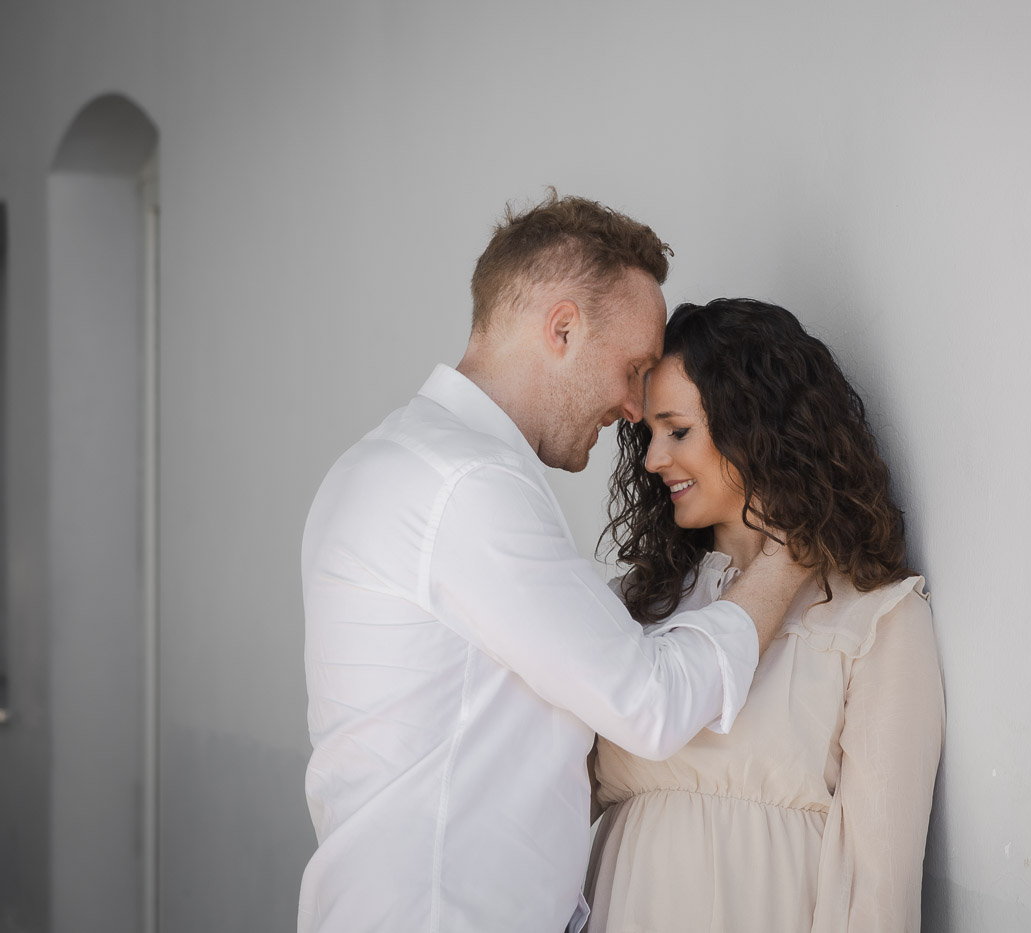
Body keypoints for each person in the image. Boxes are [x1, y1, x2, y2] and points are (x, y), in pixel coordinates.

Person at [298, 195, 808, 933]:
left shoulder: (382, 463)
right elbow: (649, 703)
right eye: (633, 368)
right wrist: (788, 558)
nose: (635, 408)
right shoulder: (467, 488)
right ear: (562, 328)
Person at [584, 298, 945, 932]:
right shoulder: (632, 608)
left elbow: (877, 888)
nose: (652, 459)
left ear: (755, 427)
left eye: (678, 430)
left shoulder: (877, 620)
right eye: (649, 435)